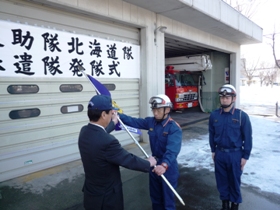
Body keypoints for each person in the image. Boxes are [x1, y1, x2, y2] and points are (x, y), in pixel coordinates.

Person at [78, 94, 157, 210]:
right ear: (103, 114)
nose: (112, 114)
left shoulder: (84, 131)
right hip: (107, 199)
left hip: (92, 195)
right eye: (110, 112)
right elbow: (128, 160)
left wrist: (114, 122)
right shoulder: (108, 142)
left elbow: (100, 133)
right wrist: (149, 163)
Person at [119, 94, 182, 210]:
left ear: (167, 109)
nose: (155, 113)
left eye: (158, 110)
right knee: (156, 199)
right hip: (154, 164)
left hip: (168, 167)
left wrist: (164, 165)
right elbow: (134, 121)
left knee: (168, 202)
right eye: (154, 110)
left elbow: (172, 151)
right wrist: (118, 115)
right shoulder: (151, 122)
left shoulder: (174, 128)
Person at [208, 84, 253, 210]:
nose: (224, 99)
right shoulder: (214, 115)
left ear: (234, 98)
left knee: (234, 181)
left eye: (228, 97)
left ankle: (235, 205)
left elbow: (248, 138)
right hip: (220, 153)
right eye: (222, 97)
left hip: (235, 154)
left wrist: (245, 156)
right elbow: (211, 134)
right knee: (221, 181)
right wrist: (213, 150)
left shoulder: (241, 116)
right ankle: (225, 204)